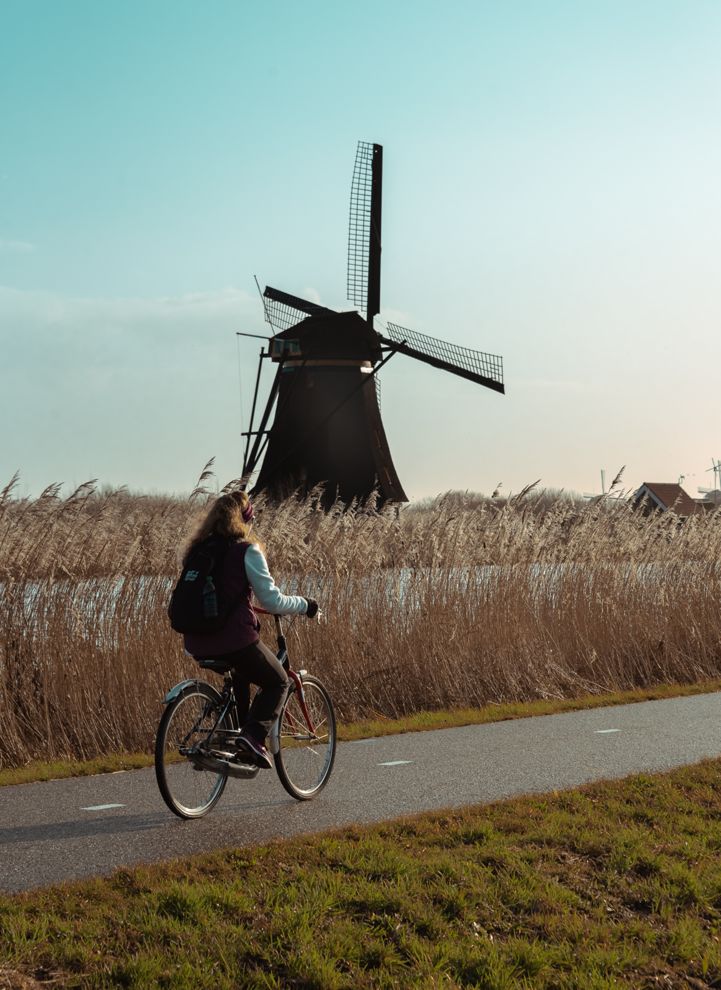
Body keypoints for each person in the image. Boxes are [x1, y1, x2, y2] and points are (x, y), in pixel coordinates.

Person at [182, 490, 318, 769]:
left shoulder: (198, 551)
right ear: (245, 520)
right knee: (278, 681)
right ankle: (254, 737)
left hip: (195, 641)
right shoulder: (247, 551)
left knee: (243, 674)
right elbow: (272, 600)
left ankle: (233, 740)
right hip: (234, 641)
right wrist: (305, 604)